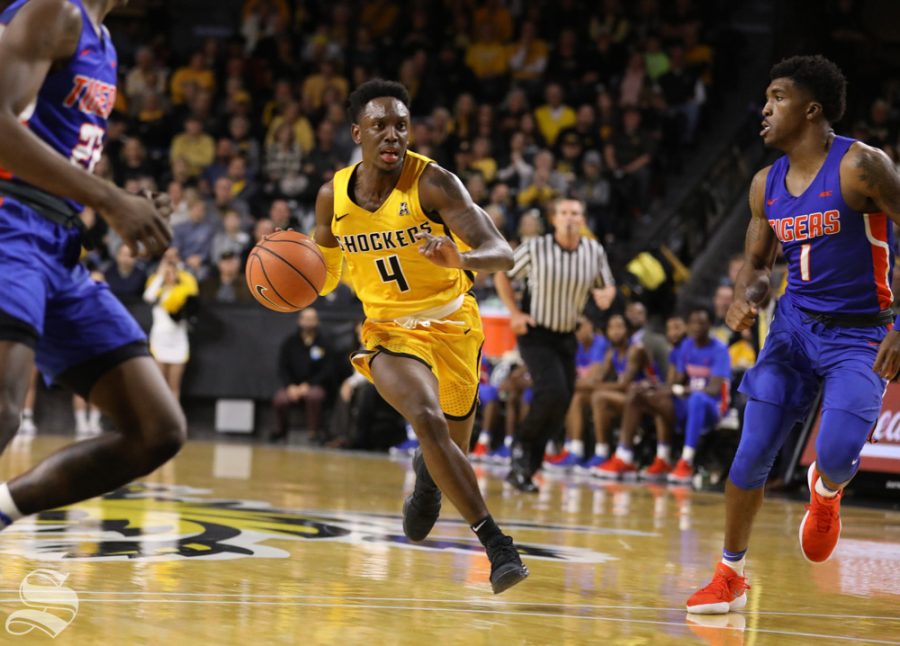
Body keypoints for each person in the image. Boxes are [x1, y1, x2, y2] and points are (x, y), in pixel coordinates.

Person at [688, 55, 900, 614]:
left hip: (861, 332)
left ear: (811, 110)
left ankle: (826, 491)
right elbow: (757, 263)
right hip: (793, 329)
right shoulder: (765, 184)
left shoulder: (862, 167)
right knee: (750, 452)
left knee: (834, 453)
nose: (763, 108)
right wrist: (745, 297)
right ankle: (729, 574)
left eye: (776, 97)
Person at [312, 79, 528, 594]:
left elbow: (503, 253)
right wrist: (285, 272)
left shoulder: (434, 183)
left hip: (453, 323)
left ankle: (429, 478)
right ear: (357, 132)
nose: (393, 135)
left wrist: (463, 258)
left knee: (452, 442)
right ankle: (497, 544)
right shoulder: (332, 197)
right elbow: (321, 278)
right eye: (381, 125)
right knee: (426, 419)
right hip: (387, 329)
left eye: (402, 126)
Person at [0, 0, 184, 532]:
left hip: (57, 244)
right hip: (10, 222)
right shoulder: (55, 11)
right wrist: (110, 200)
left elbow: (60, 154)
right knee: (4, 409)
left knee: (156, 429)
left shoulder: (102, 41)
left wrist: (129, 203)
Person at [495, 198, 616, 492]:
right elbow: (503, 273)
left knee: (561, 402)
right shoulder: (536, 247)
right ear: (554, 220)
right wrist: (514, 313)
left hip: (566, 336)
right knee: (552, 391)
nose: (570, 218)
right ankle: (521, 449)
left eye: (576, 213)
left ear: (583, 220)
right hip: (536, 333)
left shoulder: (593, 250)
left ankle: (526, 468)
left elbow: (607, 284)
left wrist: (607, 296)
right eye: (564, 213)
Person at [271, 308, 334, 443]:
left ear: (317, 322)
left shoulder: (324, 343)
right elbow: (283, 367)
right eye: (306, 318)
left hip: (314, 385)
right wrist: (290, 386)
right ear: (299, 321)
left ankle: (314, 433)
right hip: (293, 385)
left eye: (312, 319)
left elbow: (327, 370)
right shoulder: (290, 342)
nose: (308, 322)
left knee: (314, 396)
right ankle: (281, 432)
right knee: (280, 399)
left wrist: (309, 384)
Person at [143, 249, 198, 400]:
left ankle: (174, 421)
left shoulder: (184, 288)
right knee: (159, 385)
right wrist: (160, 276)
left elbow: (191, 303)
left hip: (178, 341)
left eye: (172, 272)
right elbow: (147, 296)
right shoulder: (158, 288)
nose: (169, 275)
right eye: (166, 272)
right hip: (159, 340)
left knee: (174, 386)